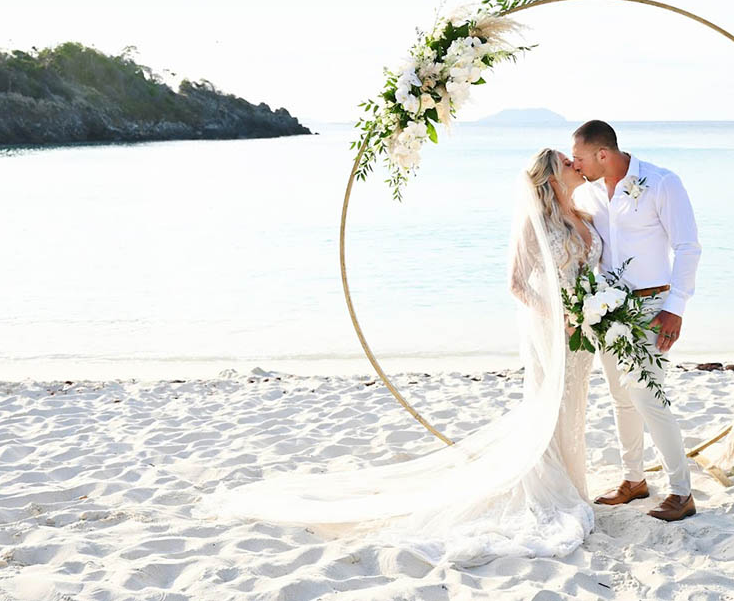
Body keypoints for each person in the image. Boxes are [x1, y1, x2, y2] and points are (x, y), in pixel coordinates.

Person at [196, 148, 600, 567]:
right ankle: (550, 489)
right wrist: (558, 316)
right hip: (550, 330)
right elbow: (517, 284)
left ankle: (573, 483)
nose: (575, 165)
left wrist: (595, 310)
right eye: (567, 163)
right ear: (551, 177)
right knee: (545, 407)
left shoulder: (582, 213)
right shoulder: (535, 222)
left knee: (574, 405)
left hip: (583, 332)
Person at [571, 119, 702, 522]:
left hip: (653, 307)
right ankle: (634, 480)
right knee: (620, 397)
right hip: (607, 309)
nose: (576, 166)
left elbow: (688, 247)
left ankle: (682, 492)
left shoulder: (662, 184)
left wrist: (675, 307)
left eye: (580, 158)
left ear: (603, 154)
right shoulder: (588, 192)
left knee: (649, 396)